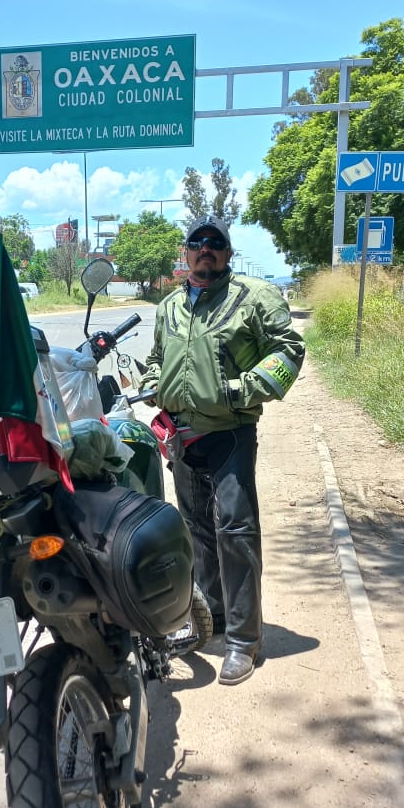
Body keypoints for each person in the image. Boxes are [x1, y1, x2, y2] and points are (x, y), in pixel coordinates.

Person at [140, 215, 305, 686]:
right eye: (197, 242)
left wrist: (239, 391)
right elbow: (156, 360)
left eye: (215, 243)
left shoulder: (254, 297)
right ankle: (209, 617)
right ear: (186, 252)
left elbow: (288, 350)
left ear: (228, 253)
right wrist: (153, 383)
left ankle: (244, 640)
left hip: (230, 432)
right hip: (182, 434)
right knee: (195, 531)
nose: (205, 249)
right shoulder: (169, 306)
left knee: (235, 532)